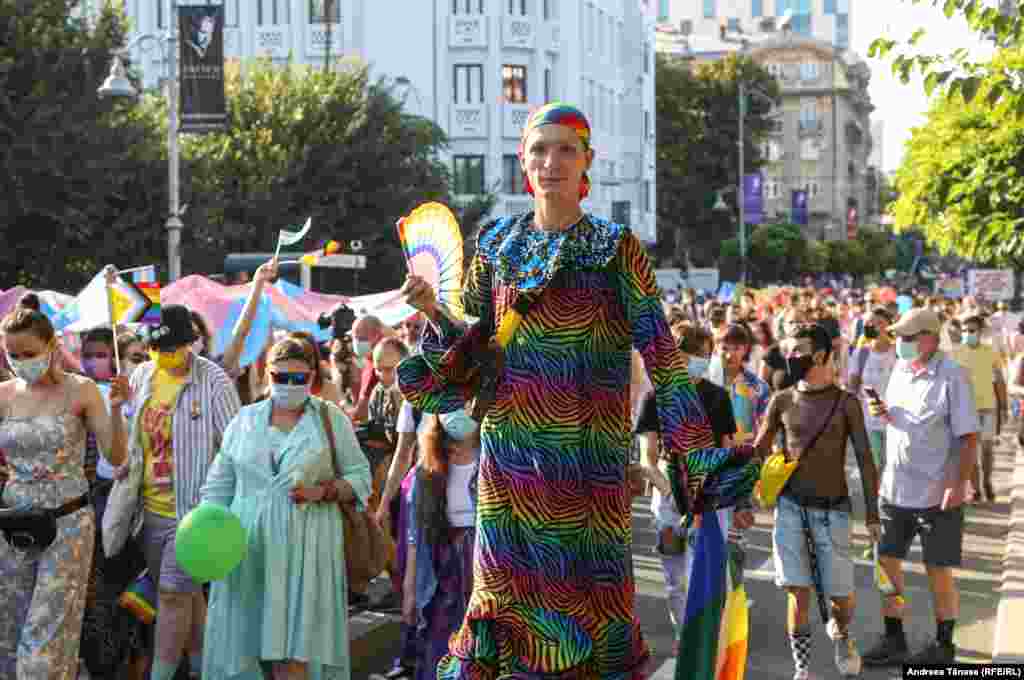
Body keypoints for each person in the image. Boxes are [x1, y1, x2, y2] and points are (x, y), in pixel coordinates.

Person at [398, 103, 757, 680]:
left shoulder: (617, 247)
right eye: (540, 149)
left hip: (587, 474)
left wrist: (696, 455)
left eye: (566, 148)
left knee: (589, 627)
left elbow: (662, 354)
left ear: (587, 161)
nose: (551, 162)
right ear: (523, 162)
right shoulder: (494, 244)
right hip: (510, 469)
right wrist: (433, 311)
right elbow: (475, 349)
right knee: (502, 618)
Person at [200, 334, 371, 680]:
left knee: (296, 651)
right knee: (243, 646)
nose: (290, 385)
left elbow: (361, 477)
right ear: (267, 374)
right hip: (247, 548)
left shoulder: (330, 418)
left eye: (299, 378)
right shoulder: (244, 420)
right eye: (282, 377)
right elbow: (218, 487)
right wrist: (205, 538)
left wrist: (322, 491)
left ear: (312, 377)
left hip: (308, 547)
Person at [109, 304, 242, 680]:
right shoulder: (142, 377)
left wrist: (218, 503)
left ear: (192, 344)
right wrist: (117, 409)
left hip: (195, 514)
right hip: (149, 511)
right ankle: (204, 670)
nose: (167, 358)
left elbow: (235, 445)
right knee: (187, 598)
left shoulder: (213, 379)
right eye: (158, 350)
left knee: (170, 594)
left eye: (175, 350)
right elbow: (129, 447)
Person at [0, 308, 129, 679]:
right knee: (10, 637)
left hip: (66, 524)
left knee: (45, 642)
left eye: (29, 353)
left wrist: (117, 410)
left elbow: (115, 456)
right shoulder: (5, 394)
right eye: (13, 355)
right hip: (13, 529)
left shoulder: (81, 389)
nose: (21, 362)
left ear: (51, 347)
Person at [753, 324, 880, 680]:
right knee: (798, 593)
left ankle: (841, 633)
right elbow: (759, 450)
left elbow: (866, 461)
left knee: (842, 600)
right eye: (789, 350)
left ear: (821, 355)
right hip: (790, 508)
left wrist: (872, 515)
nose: (791, 356)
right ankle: (802, 669)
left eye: (800, 350)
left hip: (834, 511)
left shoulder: (846, 403)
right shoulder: (782, 399)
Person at [862, 308, 979, 666]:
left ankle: (944, 645)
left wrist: (958, 483)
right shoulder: (899, 370)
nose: (900, 344)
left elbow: (968, 436)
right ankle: (895, 637)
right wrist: (885, 413)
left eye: (908, 338)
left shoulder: (953, 376)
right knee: (887, 565)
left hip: (935, 495)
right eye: (899, 337)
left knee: (937, 570)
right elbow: (901, 420)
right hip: (895, 490)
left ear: (929, 337)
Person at [636, 323, 738, 656]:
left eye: (705, 354)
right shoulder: (654, 398)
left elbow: (726, 452)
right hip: (667, 494)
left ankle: (703, 637)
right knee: (674, 574)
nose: (700, 360)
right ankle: (683, 632)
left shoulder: (718, 398)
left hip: (708, 492)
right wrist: (669, 493)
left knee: (701, 572)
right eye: (694, 353)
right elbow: (647, 459)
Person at [76, 327, 150, 680]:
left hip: (146, 505)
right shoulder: (87, 395)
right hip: (103, 498)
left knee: (138, 596)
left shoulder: (153, 396)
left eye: (143, 357)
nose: (140, 364)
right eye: (133, 357)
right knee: (103, 593)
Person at [407, 411, 480, 680]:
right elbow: (416, 531)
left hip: (482, 564)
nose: (457, 411)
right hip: (443, 568)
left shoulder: (497, 458)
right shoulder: (428, 465)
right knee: (439, 646)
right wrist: (410, 587)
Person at [950, 312, 1005, 504]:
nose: (967, 333)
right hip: (966, 409)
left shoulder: (990, 352)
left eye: (971, 330)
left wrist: (1004, 407)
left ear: (980, 332)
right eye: (964, 330)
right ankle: (975, 489)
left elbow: (999, 380)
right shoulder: (955, 353)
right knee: (971, 452)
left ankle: (987, 482)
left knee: (987, 449)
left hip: (988, 408)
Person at [847, 307, 897, 481]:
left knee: (894, 464)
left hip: (897, 419)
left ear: (889, 326)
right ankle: (874, 503)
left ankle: (889, 501)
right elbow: (852, 387)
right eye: (869, 323)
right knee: (873, 464)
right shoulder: (861, 354)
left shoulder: (898, 353)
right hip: (869, 420)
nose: (873, 327)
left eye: (879, 323)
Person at [348, 316, 387, 423]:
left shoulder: (380, 365)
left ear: (378, 335)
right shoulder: (368, 361)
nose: (357, 343)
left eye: (361, 339)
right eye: (354, 338)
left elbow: (362, 412)